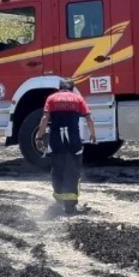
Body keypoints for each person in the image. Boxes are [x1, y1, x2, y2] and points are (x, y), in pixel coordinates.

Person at [36, 79, 95, 213]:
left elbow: (45, 119)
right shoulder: (78, 99)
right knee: (73, 170)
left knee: (57, 168)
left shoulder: (51, 98)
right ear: (72, 89)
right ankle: (71, 206)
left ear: (59, 88)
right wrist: (93, 134)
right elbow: (89, 118)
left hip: (56, 138)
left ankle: (59, 201)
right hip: (73, 138)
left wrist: (39, 137)